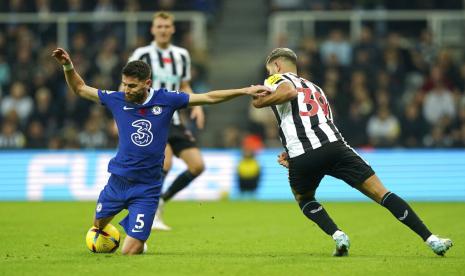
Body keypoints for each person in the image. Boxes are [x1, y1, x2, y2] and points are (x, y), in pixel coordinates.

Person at [52, 47, 269, 255]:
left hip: (147, 187)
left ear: (147, 83)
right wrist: (68, 66)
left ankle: (138, 239)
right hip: (118, 182)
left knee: (130, 251)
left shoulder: (166, 99)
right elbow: (80, 88)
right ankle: (125, 231)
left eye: (132, 86)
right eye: (125, 84)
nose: (126, 90)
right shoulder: (116, 99)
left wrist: (244, 91)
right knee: (97, 225)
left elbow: (209, 97)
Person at [251, 47, 453, 257]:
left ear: (277, 66)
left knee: (304, 198)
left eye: (269, 70)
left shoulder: (276, 79)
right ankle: (432, 239)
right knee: (381, 193)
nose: (269, 76)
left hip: (303, 154)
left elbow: (287, 96)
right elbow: (314, 120)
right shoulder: (316, 88)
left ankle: (338, 235)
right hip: (335, 146)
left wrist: (258, 101)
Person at [127, 11, 205, 230]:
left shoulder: (181, 55)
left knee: (197, 165)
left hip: (175, 119)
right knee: (166, 162)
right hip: (151, 117)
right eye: (158, 26)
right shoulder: (141, 53)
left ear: (172, 29)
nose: (162, 30)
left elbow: (185, 86)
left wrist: (197, 107)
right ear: (152, 29)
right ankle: (149, 212)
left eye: (166, 26)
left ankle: (160, 200)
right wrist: (123, 113)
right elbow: (126, 85)